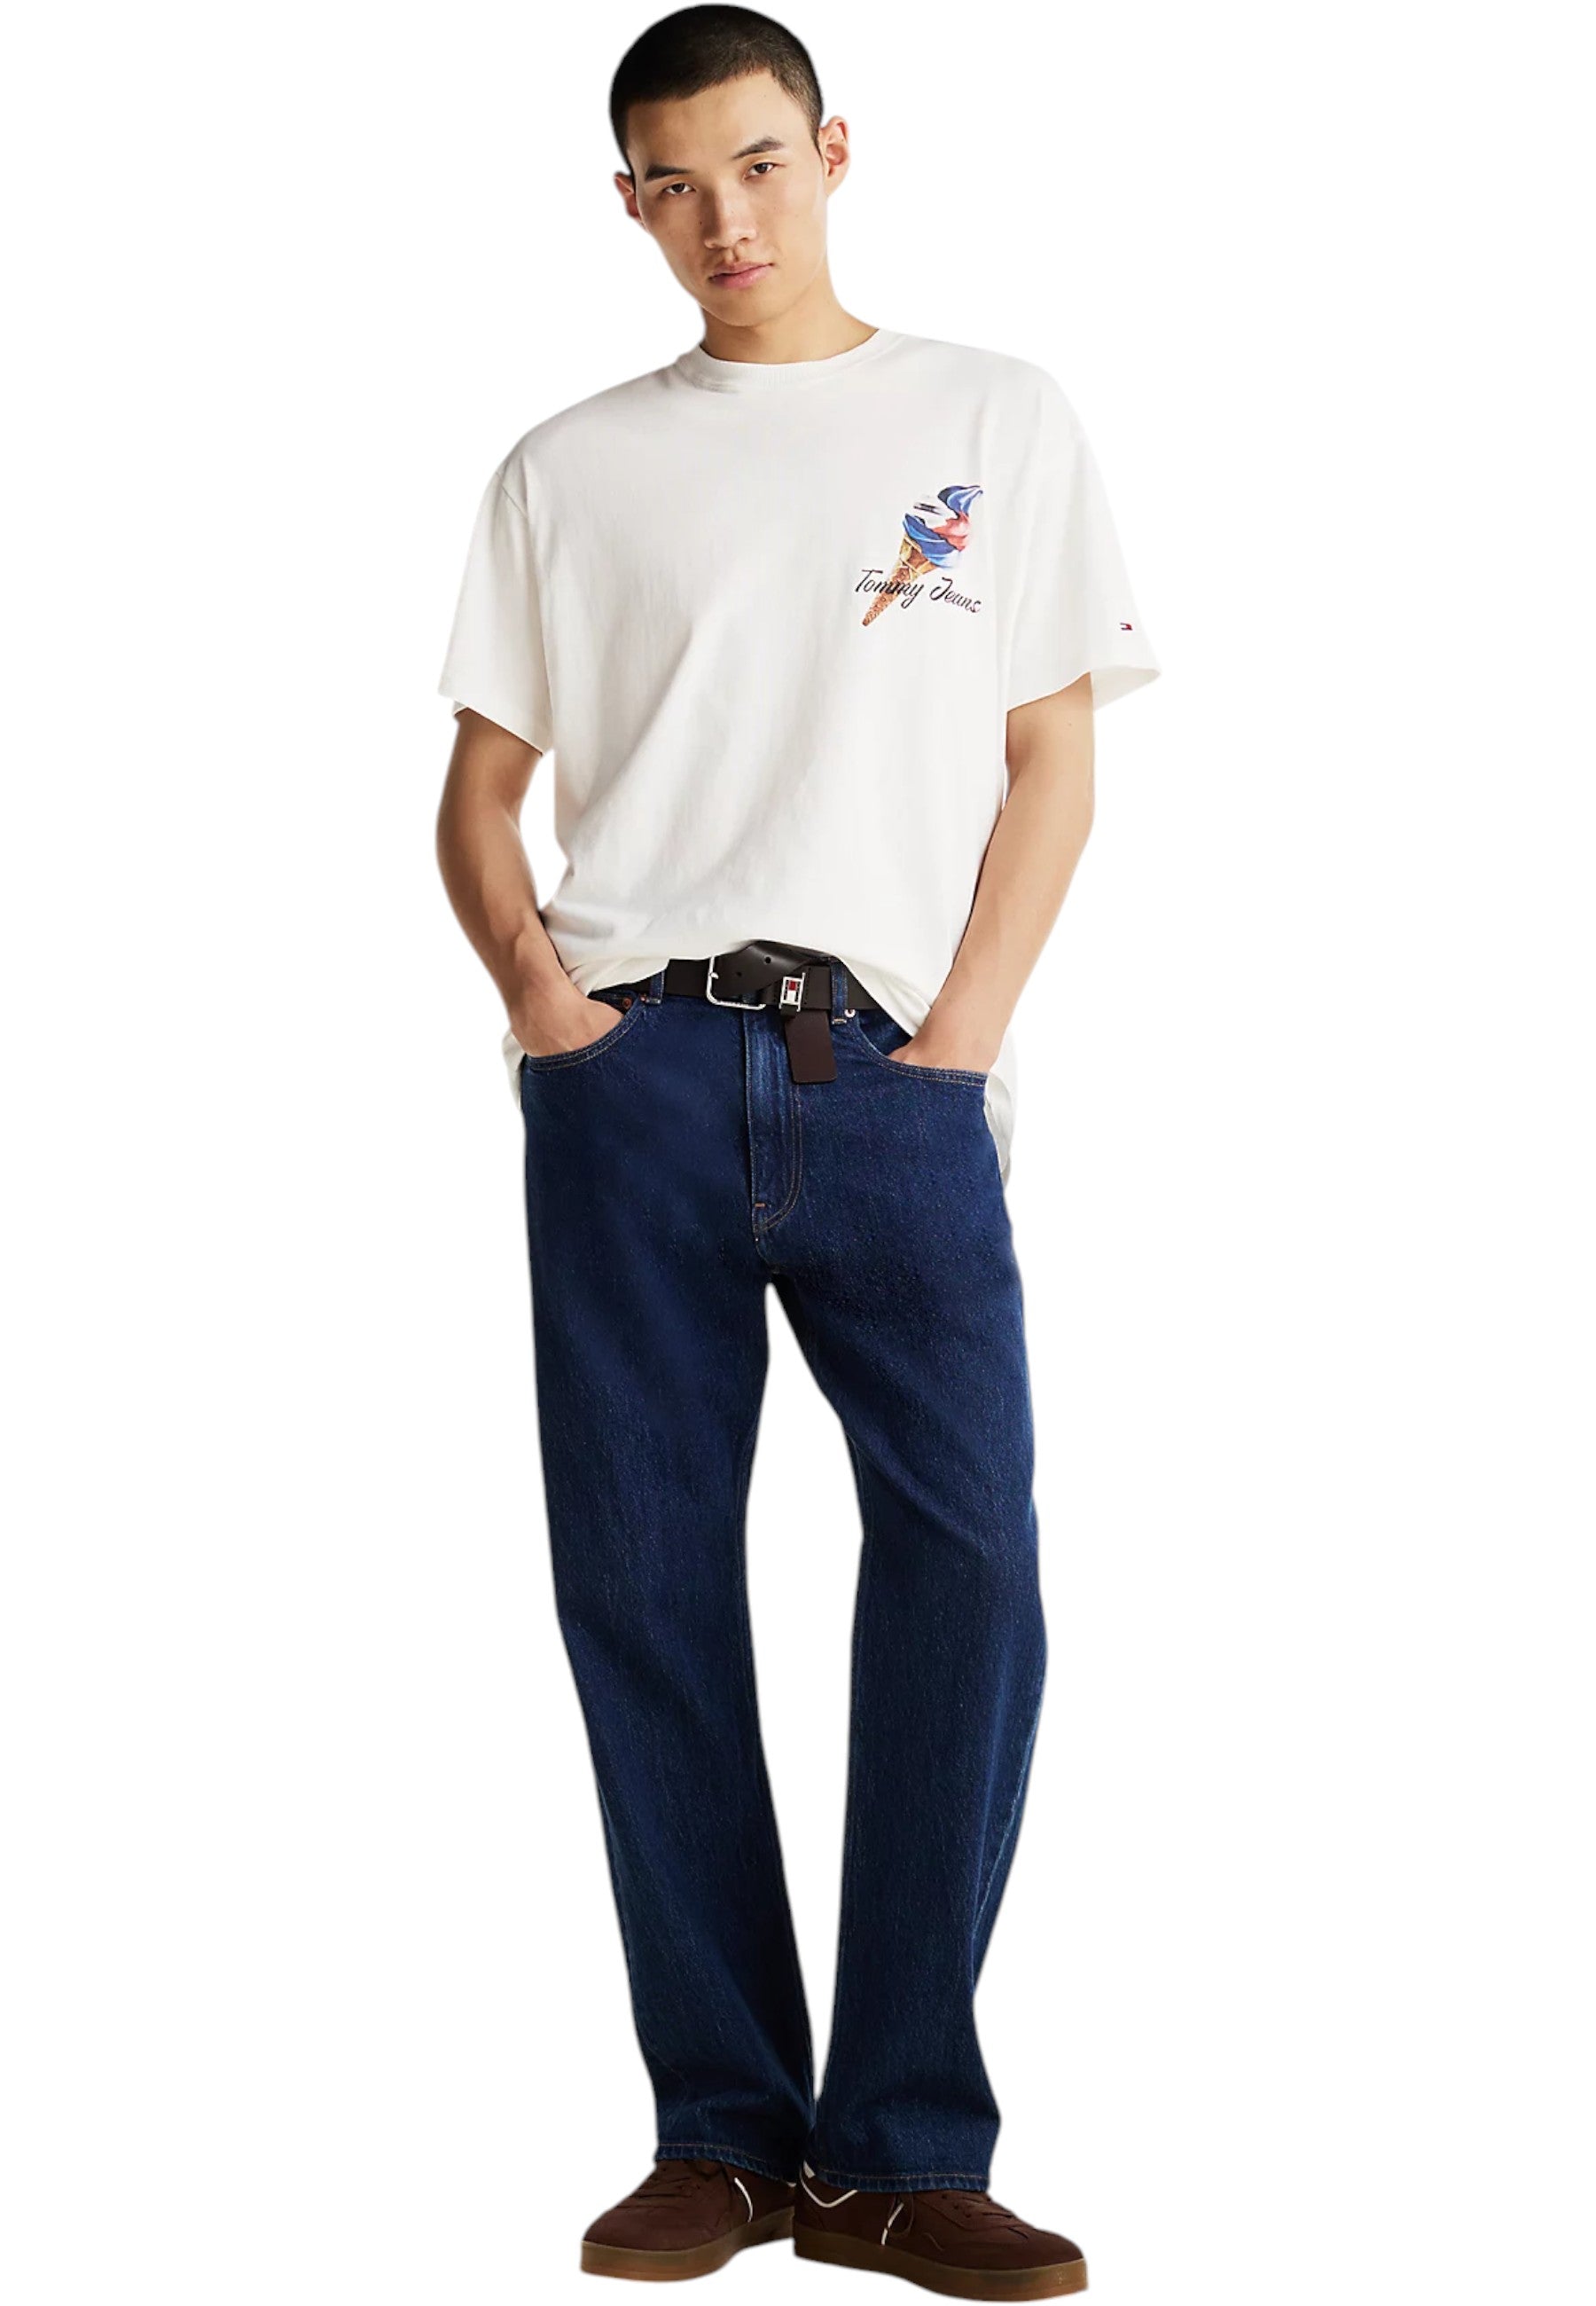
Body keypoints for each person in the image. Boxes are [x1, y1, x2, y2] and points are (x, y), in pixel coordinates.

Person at [434, 7, 1158, 2293]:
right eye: (674, 183)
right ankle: (726, 2134)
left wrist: (964, 1039)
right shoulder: (568, 467)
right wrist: (550, 1016)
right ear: (629, 203)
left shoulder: (991, 417)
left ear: (834, 151)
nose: (722, 219)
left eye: (756, 163)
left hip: (895, 1078)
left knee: (971, 1570)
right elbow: (479, 797)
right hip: (633, 1073)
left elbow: (1053, 754)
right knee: (646, 1583)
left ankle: (903, 2146)